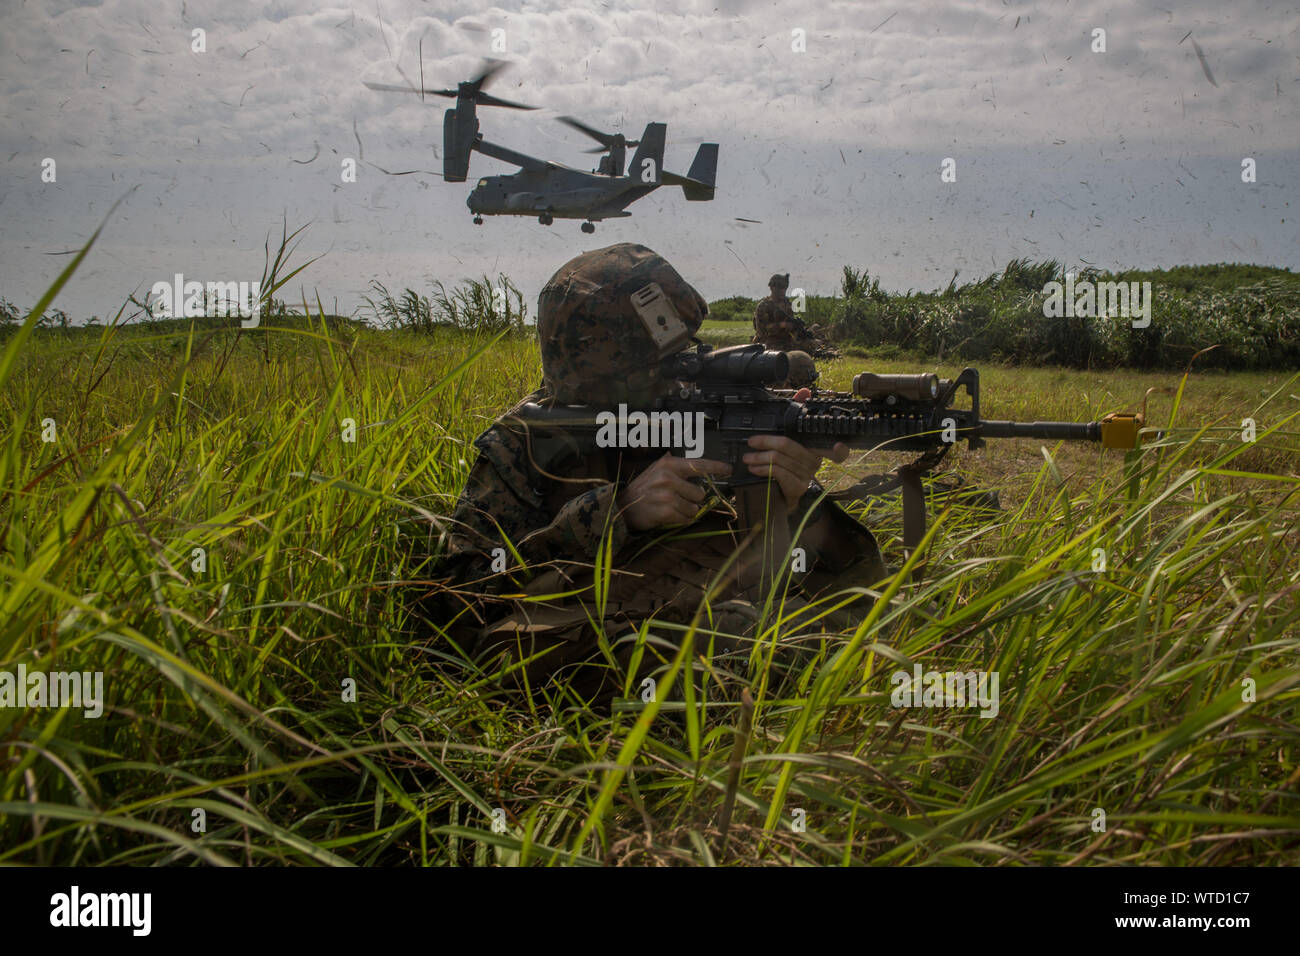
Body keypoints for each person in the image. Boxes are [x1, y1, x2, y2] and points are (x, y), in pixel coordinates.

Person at [420, 243, 884, 701]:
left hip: (678, 594)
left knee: (843, 618)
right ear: (597, 369)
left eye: (685, 356)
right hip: (583, 623)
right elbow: (456, 606)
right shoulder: (522, 444)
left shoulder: (697, 410)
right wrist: (618, 511)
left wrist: (794, 493)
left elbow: (807, 558)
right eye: (657, 369)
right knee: (775, 642)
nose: (682, 377)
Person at [752, 273, 838, 366]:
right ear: (772, 287)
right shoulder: (764, 306)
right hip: (768, 343)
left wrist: (797, 330)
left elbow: (792, 327)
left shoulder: (787, 303)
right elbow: (761, 331)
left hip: (786, 341)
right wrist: (781, 325)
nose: (783, 290)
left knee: (810, 344)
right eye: (780, 287)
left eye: (785, 288)